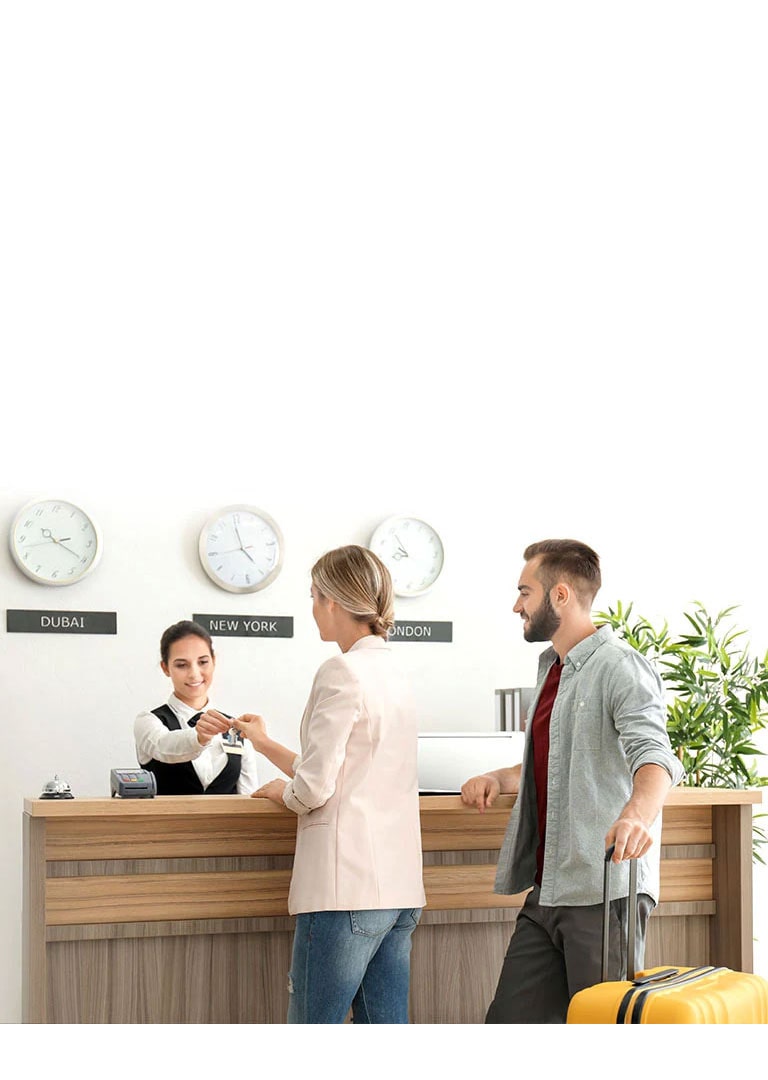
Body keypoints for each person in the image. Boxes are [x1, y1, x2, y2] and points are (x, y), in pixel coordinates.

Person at [461, 539, 685, 1023]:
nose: (516, 605)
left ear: (560, 595)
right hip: (548, 890)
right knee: (507, 1026)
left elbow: (656, 758)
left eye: (525, 591)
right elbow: (556, 765)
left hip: (604, 892)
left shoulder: (620, 666)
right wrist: (498, 778)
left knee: (601, 1033)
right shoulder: (553, 670)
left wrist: (636, 816)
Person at [221, 545, 425, 1024]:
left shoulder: (342, 670)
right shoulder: (396, 672)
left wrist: (283, 792)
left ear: (333, 601)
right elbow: (345, 770)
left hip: (344, 891)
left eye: (314, 596)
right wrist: (265, 744)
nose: (312, 607)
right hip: (397, 894)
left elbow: (313, 789)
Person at [134, 619, 260, 795]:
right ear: (165, 668)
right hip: (166, 822)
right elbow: (165, 747)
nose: (194, 674)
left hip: (229, 823)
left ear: (213, 661)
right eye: (181, 665)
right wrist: (198, 737)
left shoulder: (235, 727)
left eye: (202, 662)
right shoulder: (148, 721)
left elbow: (248, 797)